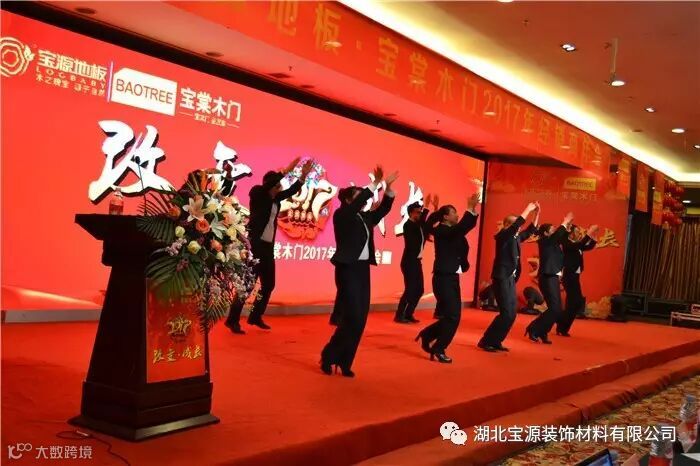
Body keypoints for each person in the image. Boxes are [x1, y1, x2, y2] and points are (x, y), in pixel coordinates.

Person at [320, 166, 398, 377]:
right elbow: (357, 203)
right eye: (358, 196)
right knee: (352, 316)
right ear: (348, 200)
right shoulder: (342, 214)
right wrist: (374, 184)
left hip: (363, 270)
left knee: (360, 318)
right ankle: (329, 356)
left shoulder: (365, 217)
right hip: (348, 268)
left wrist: (388, 188)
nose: (363, 199)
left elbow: (383, 209)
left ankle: (345, 361)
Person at [225, 158, 313, 334]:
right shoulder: (257, 193)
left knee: (268, 285)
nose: (279, 187)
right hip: (254, 246)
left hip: (268, 248)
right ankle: (232, 320)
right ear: (270, 184)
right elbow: (270, 185)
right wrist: (286, 170)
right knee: (247, 285)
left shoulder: (276, 200)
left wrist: (302, 176)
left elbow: (292, 190)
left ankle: (255, 315)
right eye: (276, 185)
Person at [414, 193, 480, 363]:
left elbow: (465, 228)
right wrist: (470, 208)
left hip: (452, 277)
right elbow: (460, 228)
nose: (457, 216)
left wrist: (472, 210)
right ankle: (439, 348)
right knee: (453, 316)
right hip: (443, 279)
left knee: (452, 316)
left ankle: (428, 334)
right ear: (445, 217)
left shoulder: (452, 232)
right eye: (454, 213)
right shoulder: (442, 231)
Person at [477, 202, 539, 352]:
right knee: (506, 313)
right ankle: (486, 341)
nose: (518, 228)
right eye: (514, 224)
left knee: (511, 314)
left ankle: (496, 341)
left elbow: (531, 230)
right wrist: (528, 209)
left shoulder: (515, 237)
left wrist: (537, 213)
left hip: (510, 278)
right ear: (506, 225)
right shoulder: (502, 236)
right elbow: (516, 226)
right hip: (502, 278)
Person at [525, 212, 574, 344]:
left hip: (553, 277)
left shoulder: (553, 242)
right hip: (547, 277)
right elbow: (557, 236)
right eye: (552, 230)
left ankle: (542, 331)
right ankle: (534, 328)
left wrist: (567, 228)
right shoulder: (545, 241)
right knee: (554, 308)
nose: (555, 231)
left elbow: (561, 237)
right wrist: (565, 221)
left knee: (556, 309)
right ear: (546, 233)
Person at [394, 194, 436, 324]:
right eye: (418, 212)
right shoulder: (408, 225)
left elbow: (427, 223)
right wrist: (426, 208)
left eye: (420, 212)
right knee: (410, 289)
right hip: (409, 262)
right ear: (411, 213)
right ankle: (399, 315)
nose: (420, 214)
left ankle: (409, 314)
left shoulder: (419, 226)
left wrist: (433, 208)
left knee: (419, 290)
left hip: (416, 262)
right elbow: (423, 223)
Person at [556, 224, 598, 336]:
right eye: (577, 231)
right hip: (569, 276)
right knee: (575, 302)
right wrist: (589, 232)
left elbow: (588, 247)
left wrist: (594, 236)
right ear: (570, 233)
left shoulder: (576, 244)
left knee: (574, 303)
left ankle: (562, 326)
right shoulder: (567, 243)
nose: (579, 233)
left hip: (575, 276)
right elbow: (581, 244)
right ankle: (561, 325)